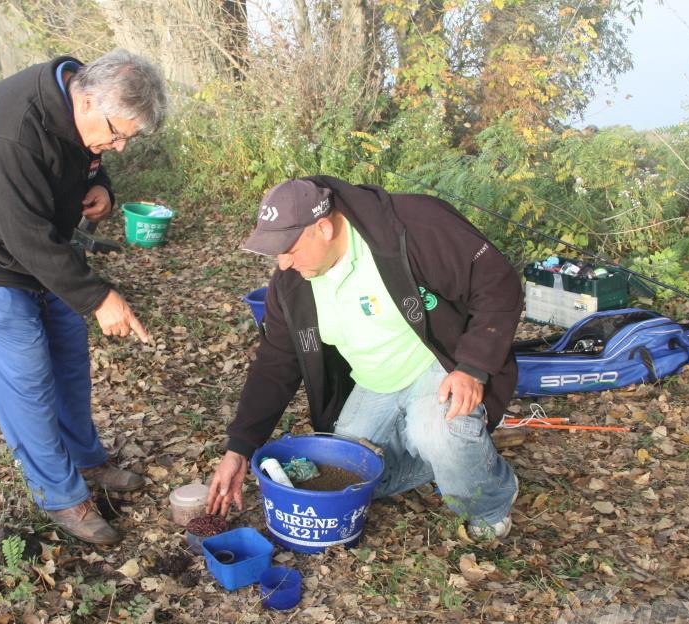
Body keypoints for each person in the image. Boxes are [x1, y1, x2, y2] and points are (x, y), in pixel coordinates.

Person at [0, 50, 168, 545]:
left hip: (42, 246)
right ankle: (61, 496)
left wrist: (100, 184)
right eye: (117, 133)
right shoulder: (9, 131)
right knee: (26, 378)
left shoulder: (80, 96)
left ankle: (85, 461)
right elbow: (25, 235)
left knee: (69, 358)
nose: (119, 146)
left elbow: (88, 159)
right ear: (87, 100)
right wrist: (100, 297)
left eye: (127, 137)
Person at [207, 178, 523, 540]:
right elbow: (276, 362)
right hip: (374, 382)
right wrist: (240, 449)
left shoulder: (412, 225)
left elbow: (497, 281)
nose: (282, 262)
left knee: (438, 434)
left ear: (323, 228)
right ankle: (445, 459)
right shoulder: (291, 283)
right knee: (347, 477)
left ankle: (491, 500)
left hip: (438, 363)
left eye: (288, 248)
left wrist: (472, 366)